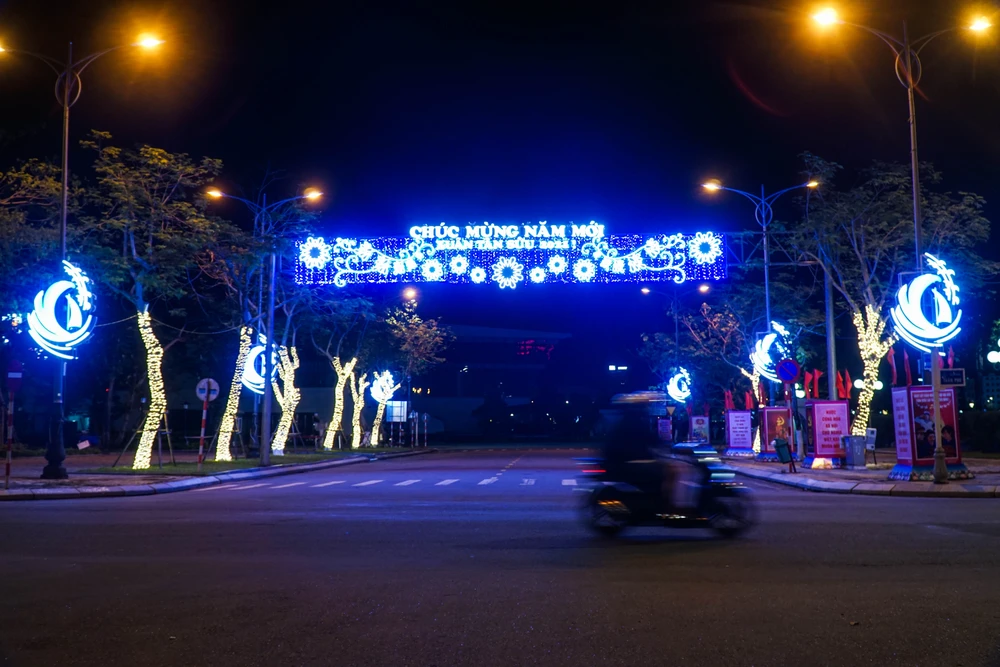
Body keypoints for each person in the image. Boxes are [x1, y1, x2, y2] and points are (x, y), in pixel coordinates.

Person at [600, 393, 673, 511]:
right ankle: (663, 503)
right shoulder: (634, 421)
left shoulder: (624, 420)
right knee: (669, 470)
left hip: (626, 460)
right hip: (630, 461)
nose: (647, 408)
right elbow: (651, 439)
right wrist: (665, 446)